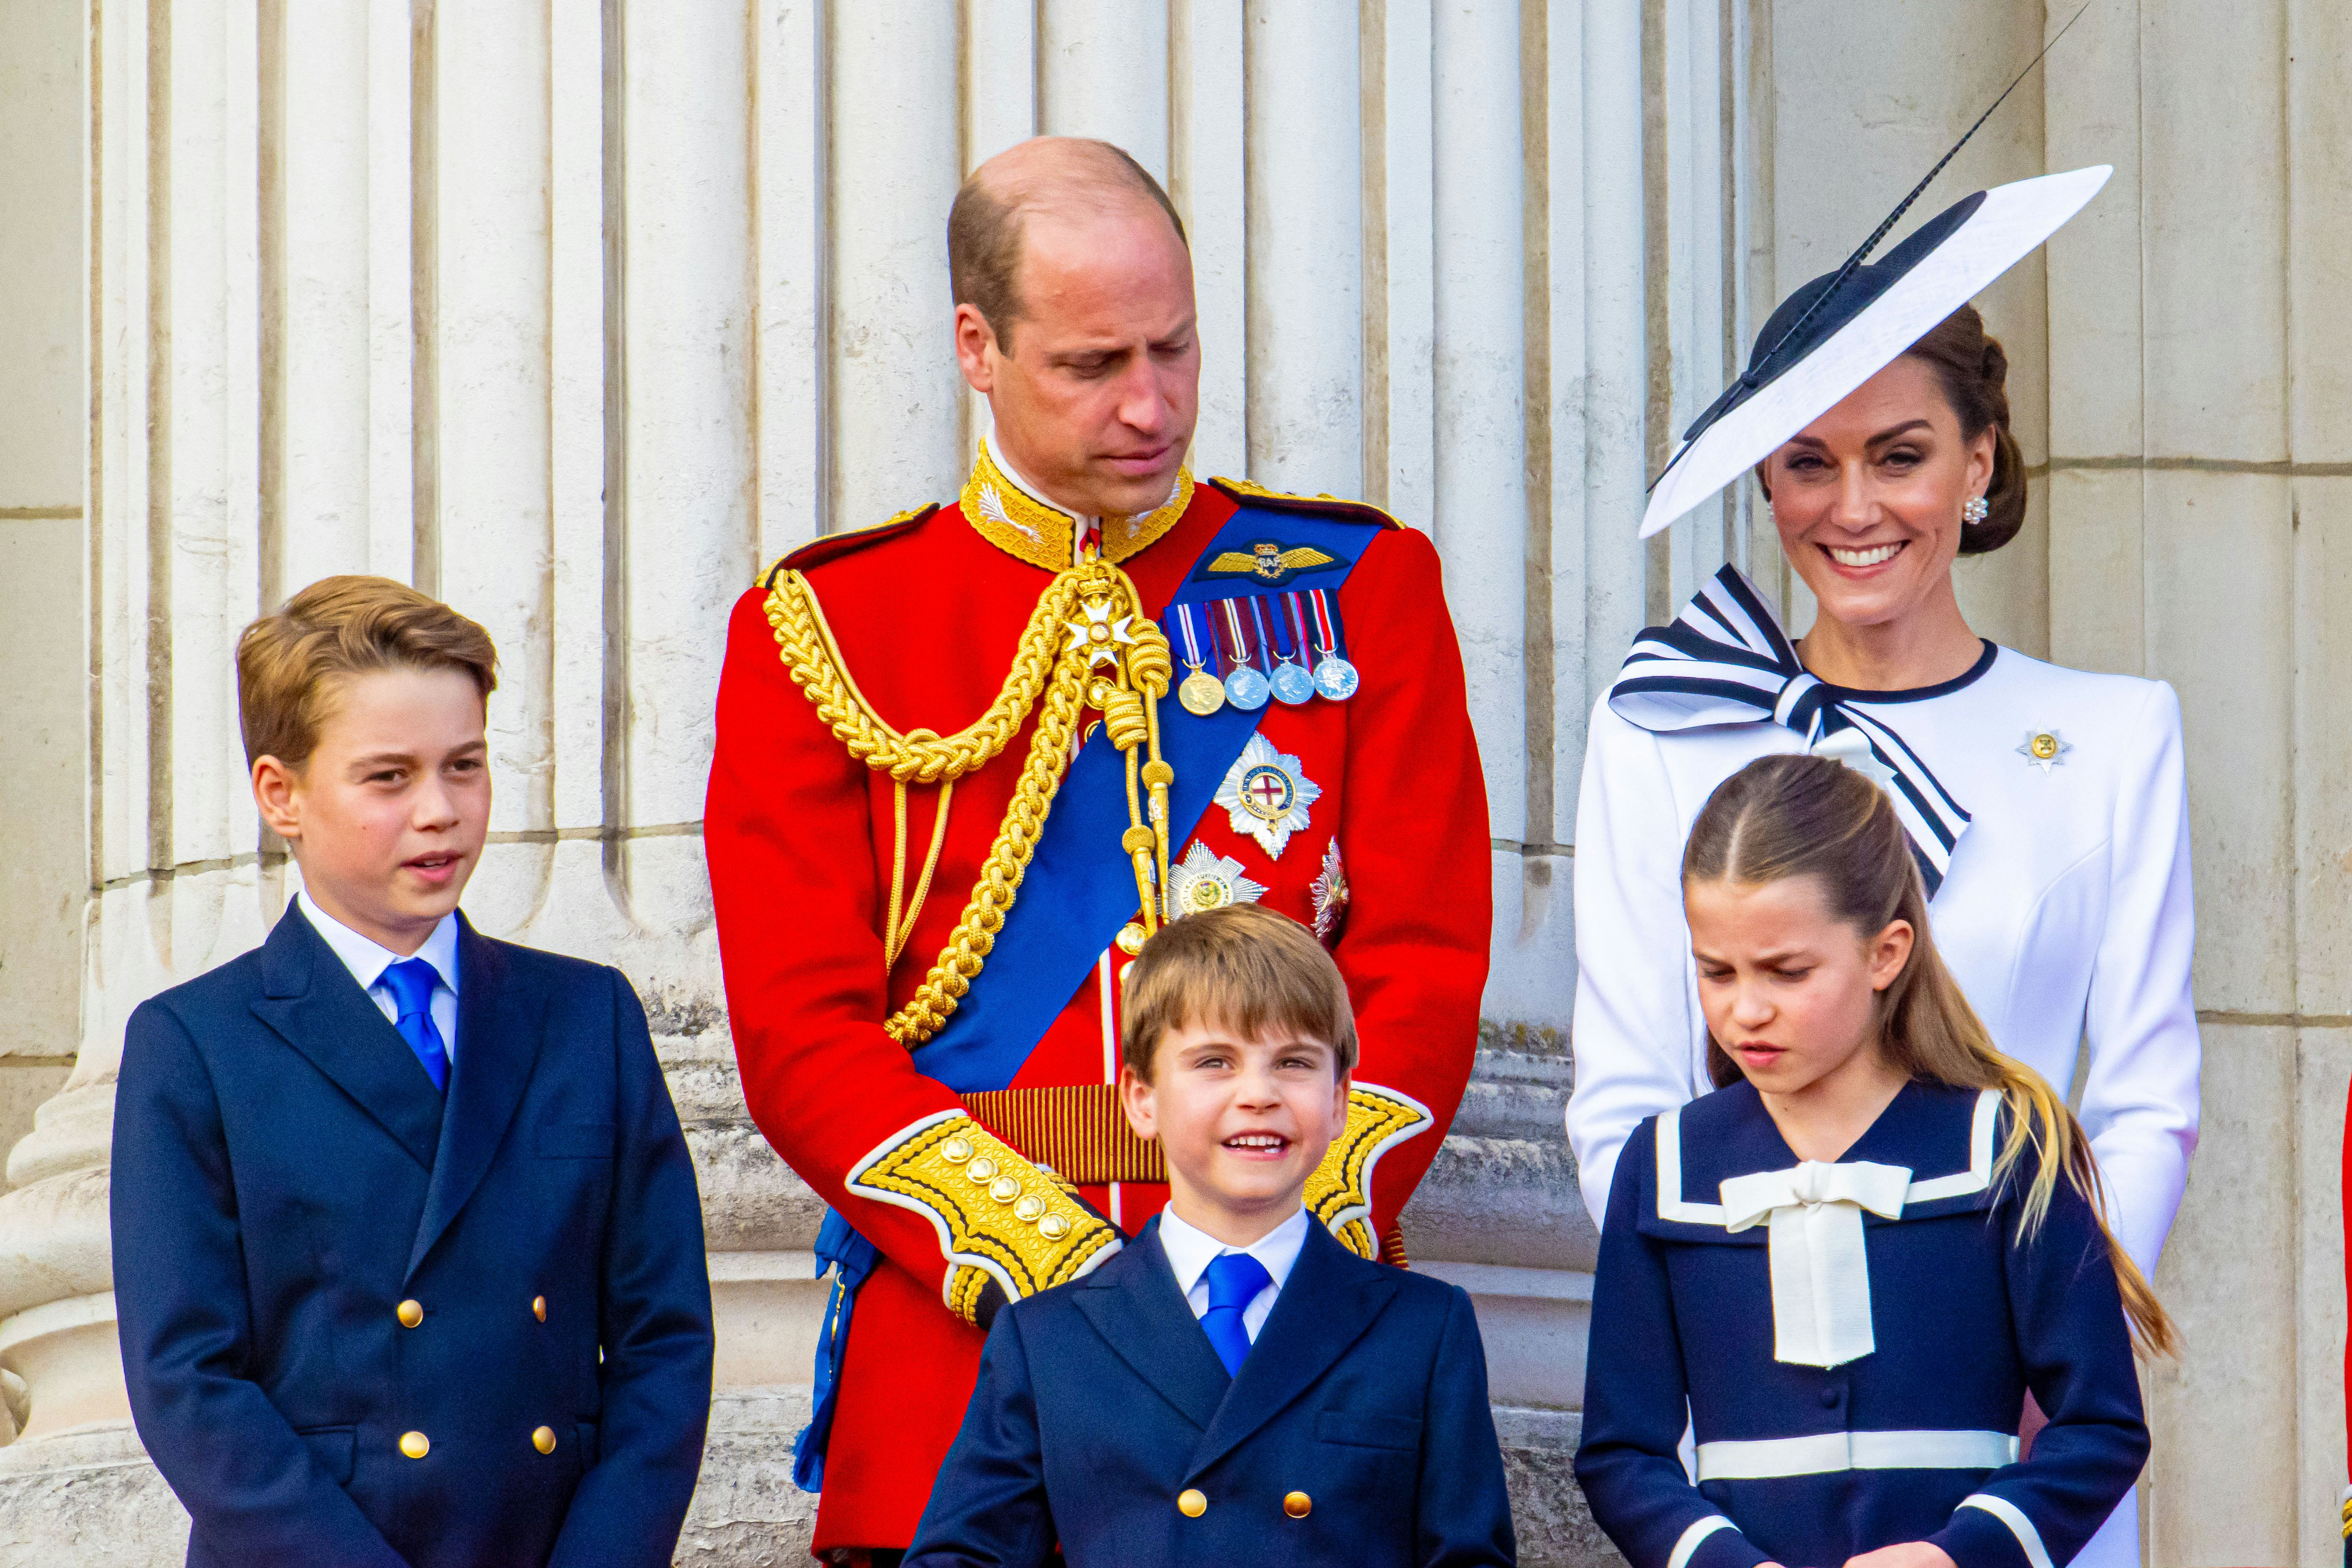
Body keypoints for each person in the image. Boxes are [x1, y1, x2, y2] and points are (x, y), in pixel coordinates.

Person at [704, 137, 1489, 1561]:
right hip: (963, 1351)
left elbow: (1422, 962)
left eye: (1174, 349)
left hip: (1286, 1352)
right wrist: (1056, 1269)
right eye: (1091, 364)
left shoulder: (1358, 588)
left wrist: (1266, 1229)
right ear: (976, 347)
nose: (1149, 404)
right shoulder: (825, 630)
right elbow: (799, 1030)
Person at [1567, 167, 2196, 1565]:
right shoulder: (1661, 725)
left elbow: (2146, 1092)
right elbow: (1623, 1096)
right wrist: (1723, 1369)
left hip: (2019, 1452)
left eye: (1897, 455)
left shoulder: (2108, 734)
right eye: (1804, 460)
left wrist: (2044, 1360)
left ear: (1976, 463)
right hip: (1748, 1457)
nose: (1849, 506)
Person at [111, 577, 715, 1568]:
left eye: (464, 767)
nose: (440, 811)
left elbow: (664, 1340)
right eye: (388, 777)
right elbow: (189, 1381)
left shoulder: (585, 1016)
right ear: (282, 794)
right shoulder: (196, 1043)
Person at [1577, 753, 2170, 1568]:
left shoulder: (2007, 1145)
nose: (1744, 1008)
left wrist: (1961, 1553)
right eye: (1714, 971)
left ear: (1885, 952)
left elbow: (2100, 1425)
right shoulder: (1665, 1164)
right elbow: (1620, 1452)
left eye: (1787, 971)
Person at [903, 904, 1514, 1567]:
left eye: (1294, 1063)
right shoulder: (1046, 1336)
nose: (1258, 1093)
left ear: (1340, 1101)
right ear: (1141, 1098)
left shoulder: (1423, 1328)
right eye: (1215, 1061)